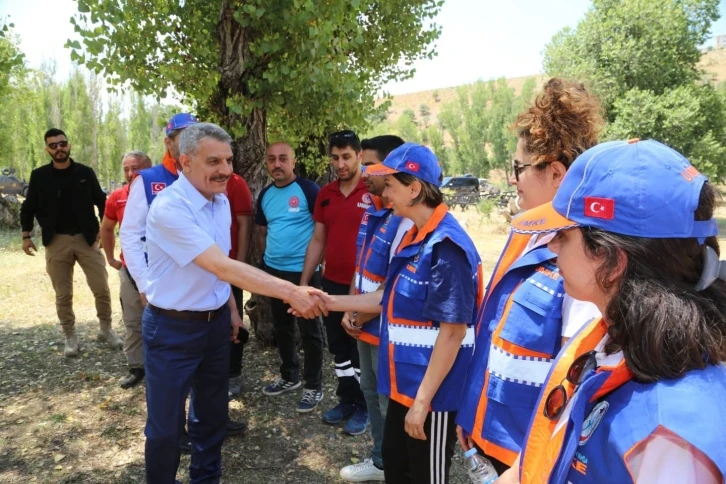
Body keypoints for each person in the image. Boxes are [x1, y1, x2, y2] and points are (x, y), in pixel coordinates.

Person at [496, 139, 726, 484]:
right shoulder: (608, 339)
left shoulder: (670, 436)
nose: (552, 244)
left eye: (563, 234)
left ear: (610, 259)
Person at [142, 122, 326, 484]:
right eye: (214, 161)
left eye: (228, 160)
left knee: (211, 418)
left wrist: (230, 313)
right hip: (172, 329)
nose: (225, 170)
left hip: (213, 328)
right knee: (164, 429)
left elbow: (219, 272)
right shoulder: (170, 208)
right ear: (186, 161)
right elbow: (222, 264)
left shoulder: (221, 201)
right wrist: (291, 292)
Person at [455, 78, 603, 475]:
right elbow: (493, 332)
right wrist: (471, 413)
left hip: (528, 457)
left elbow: (579, 377)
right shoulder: (525, 233)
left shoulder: (583, 253)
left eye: (518, 168)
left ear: (556, 173)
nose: (513, 178)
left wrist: (527, 467)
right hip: (489, 439)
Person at [314, 143, 484, 484]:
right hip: (402, 386)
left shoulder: (446, 247)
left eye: (391, 184)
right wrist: (325, 301)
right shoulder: (415, 238)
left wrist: (422, 403)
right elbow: (385, 298)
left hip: (432, 395)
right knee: (396, 466)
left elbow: (452, 333)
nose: (384, 191)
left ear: (415, 188)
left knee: (425, 476)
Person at [338, 135, 407, 482]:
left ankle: (393, 465)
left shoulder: (403, 221)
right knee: (368, 391)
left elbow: (394, 282)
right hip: (362, 320)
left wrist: (360, 313)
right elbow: (360, 267)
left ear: (391, 169)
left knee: (385, 399)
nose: (364, 173)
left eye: (370, 166)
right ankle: (380, 460)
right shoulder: (372, 213)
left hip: (386, 327)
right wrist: (350, 307)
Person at [20, 128, 120, 357]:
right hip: (56, 241)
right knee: (63, 294)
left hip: (87, 239)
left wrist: (105, 232)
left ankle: (106, 330)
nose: (59, 148)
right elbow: (28, 208)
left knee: (101, 288)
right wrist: (26, 236)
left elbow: (103, 203)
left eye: (62, 143)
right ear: (47, 150)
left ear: (69, 145)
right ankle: (70, 337)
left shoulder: (85, 172)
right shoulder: (39, 176)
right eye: (53, 145)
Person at [300, 130, 371, 435]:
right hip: (331, 283)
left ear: (358, 156)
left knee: (360, 351)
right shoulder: (325, 194)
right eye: (335, 157)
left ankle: (365, 406)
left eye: (346, 157)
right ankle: (346, 399)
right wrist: (304, 283)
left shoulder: (375, 191)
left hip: (364, 289)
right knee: (339, 349)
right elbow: (318, 239)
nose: (340, 164)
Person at [256, 142, 326, 412]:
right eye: (272, 159)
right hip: (275, 273)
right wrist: (265, 264)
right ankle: (289, 376)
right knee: (282, 327)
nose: (277, 164)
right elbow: (261, 232)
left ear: (293, 161)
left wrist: (317, 268)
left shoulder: (308, 190)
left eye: (283, 158)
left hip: (304, 273)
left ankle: (313, 386)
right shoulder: (265, 195)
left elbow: (323, 232)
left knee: (310, 331)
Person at [120, 113, 198, 306]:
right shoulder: (147, 180)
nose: (192, 144)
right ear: (168, 143)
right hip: (159, 281)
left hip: (197, 283)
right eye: (185, 137)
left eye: (197, 137)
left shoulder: (204, 179)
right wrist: (145, 285)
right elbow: (130, 234)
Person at [100, 151, 153, 388]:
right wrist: (111, 258)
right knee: (133, 321)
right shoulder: (117, 197)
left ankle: (161, 365)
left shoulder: (161, 192)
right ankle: (136, 366)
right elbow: (107, 227)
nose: (131, 174)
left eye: (137, 168)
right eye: (126, 169)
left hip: (160, 268)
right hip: (130, 270)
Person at [225, 172, 253, 398]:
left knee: (235, 323)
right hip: (204, 266)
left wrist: (240, 264)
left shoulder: (235, 182)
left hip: (230, 265)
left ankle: (234, 372)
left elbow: (244, 224)